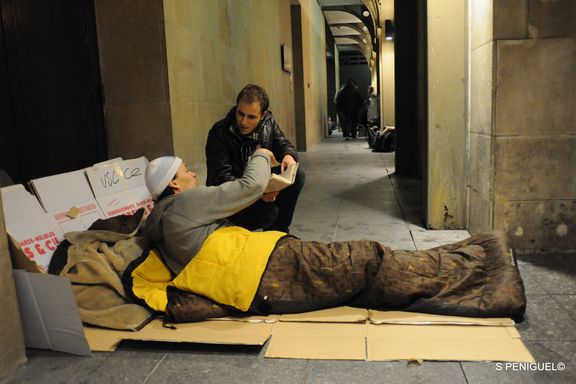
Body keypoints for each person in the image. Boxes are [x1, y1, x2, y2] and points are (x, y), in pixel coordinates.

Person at [136, 153, 527, 323]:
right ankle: (487, 274)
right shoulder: (184, 205)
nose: (191, 175)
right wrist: (260, 152)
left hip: (265, 266)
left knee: (368, 265)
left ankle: (474, 260)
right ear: (172, 184)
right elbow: (249, 184)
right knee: (370, 262)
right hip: (266, 271)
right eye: (185, 171)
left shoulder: (162, 222)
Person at [205, 84, 305, 233]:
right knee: (268, 213)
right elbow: (221, 177)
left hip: (258, 185)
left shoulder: (268, 123)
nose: (244, 121)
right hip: (233, 195)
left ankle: (278, 233)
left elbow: (283, 144)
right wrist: (257, 193)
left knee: (297, 175)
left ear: (263, 115)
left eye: (251, 117)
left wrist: (289, 156)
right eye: (240, 114)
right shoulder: (219, 132)